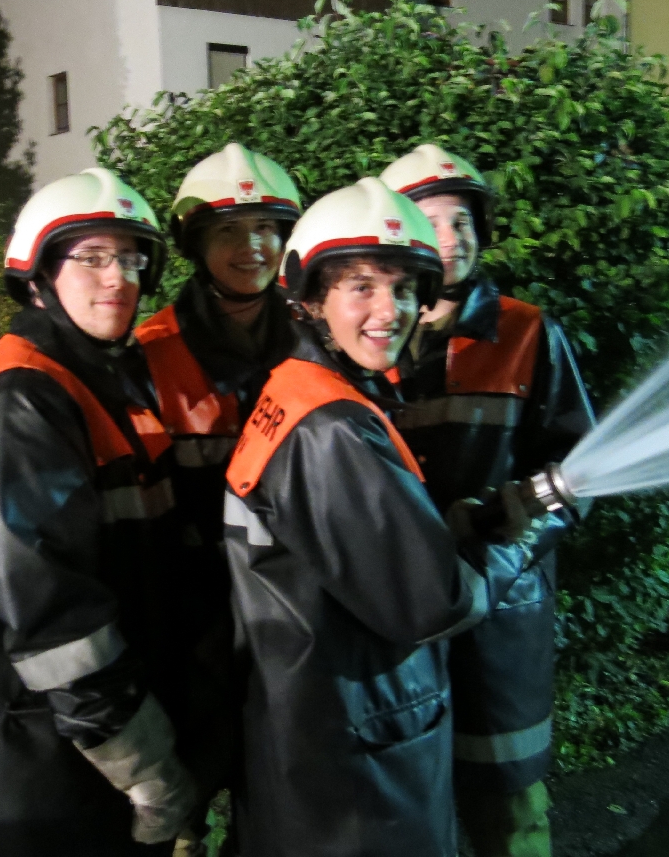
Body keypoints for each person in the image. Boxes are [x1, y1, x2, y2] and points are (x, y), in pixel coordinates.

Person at [222, 177, 560, 857]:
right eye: (362, 287)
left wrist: (455, 528)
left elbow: (355, 552)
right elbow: (433, 602)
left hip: (321, 732)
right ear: (310, 299)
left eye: (405, 288)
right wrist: (515, 540)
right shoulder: (333, 427)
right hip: (356, 759)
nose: (390, 309)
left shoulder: (305, 391)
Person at [0, 168, 198, 857]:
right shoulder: (18, 405)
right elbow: (53, 617)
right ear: (38, 276)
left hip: (70, 761)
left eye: (131, 259)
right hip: (27, 782)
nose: (118, 277)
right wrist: (147, 768)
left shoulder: (92, 382)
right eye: (91, 258)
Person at [379, 144, 596, 857]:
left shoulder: (528, 331)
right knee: (410, 808)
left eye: (463, 220)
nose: (452, 237)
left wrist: (508, 545)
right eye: (433, 221)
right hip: (400, 621)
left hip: (503, 621)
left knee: (511, 812)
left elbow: (579, 475)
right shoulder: (373, 336)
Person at [132, 143, 301, 842]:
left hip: (293, 617)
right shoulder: (150, 352)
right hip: (189, 627)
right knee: (187, 810)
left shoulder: (316, 336)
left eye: (266, 228)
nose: (251, 246)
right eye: (228, 230)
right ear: (195, 246)